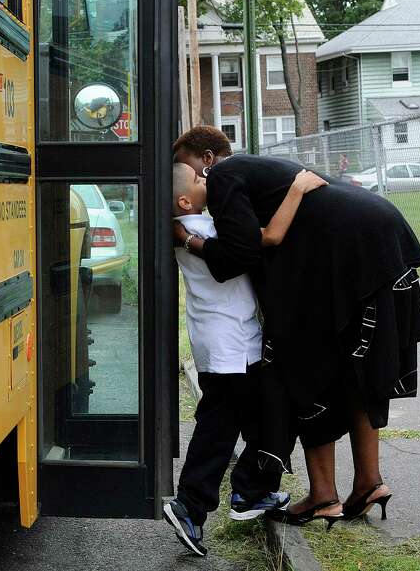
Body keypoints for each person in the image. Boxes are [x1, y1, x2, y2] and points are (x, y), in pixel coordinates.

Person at [172, 126, 420, 530]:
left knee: (301, 369)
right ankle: (367, 482)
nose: (198, 179)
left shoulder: (224, 176)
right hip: (373, 242)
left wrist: (188, 241)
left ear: (207, 160)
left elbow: (239, 254)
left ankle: (324, 494)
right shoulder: (255, 173)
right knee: (353, 370)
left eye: (188, 169)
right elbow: (256, 238)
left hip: (343, 255)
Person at [164, 162, 327, 556]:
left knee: (250, 417)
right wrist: (296, 190)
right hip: (232, 344)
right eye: (201, 179)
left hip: (219, 341)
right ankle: (191, 503)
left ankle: (249, 492)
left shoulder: (192, 228)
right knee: (223, 424)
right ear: (185, 199)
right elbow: (267, 238)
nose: (209, 179)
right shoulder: (203, 229)